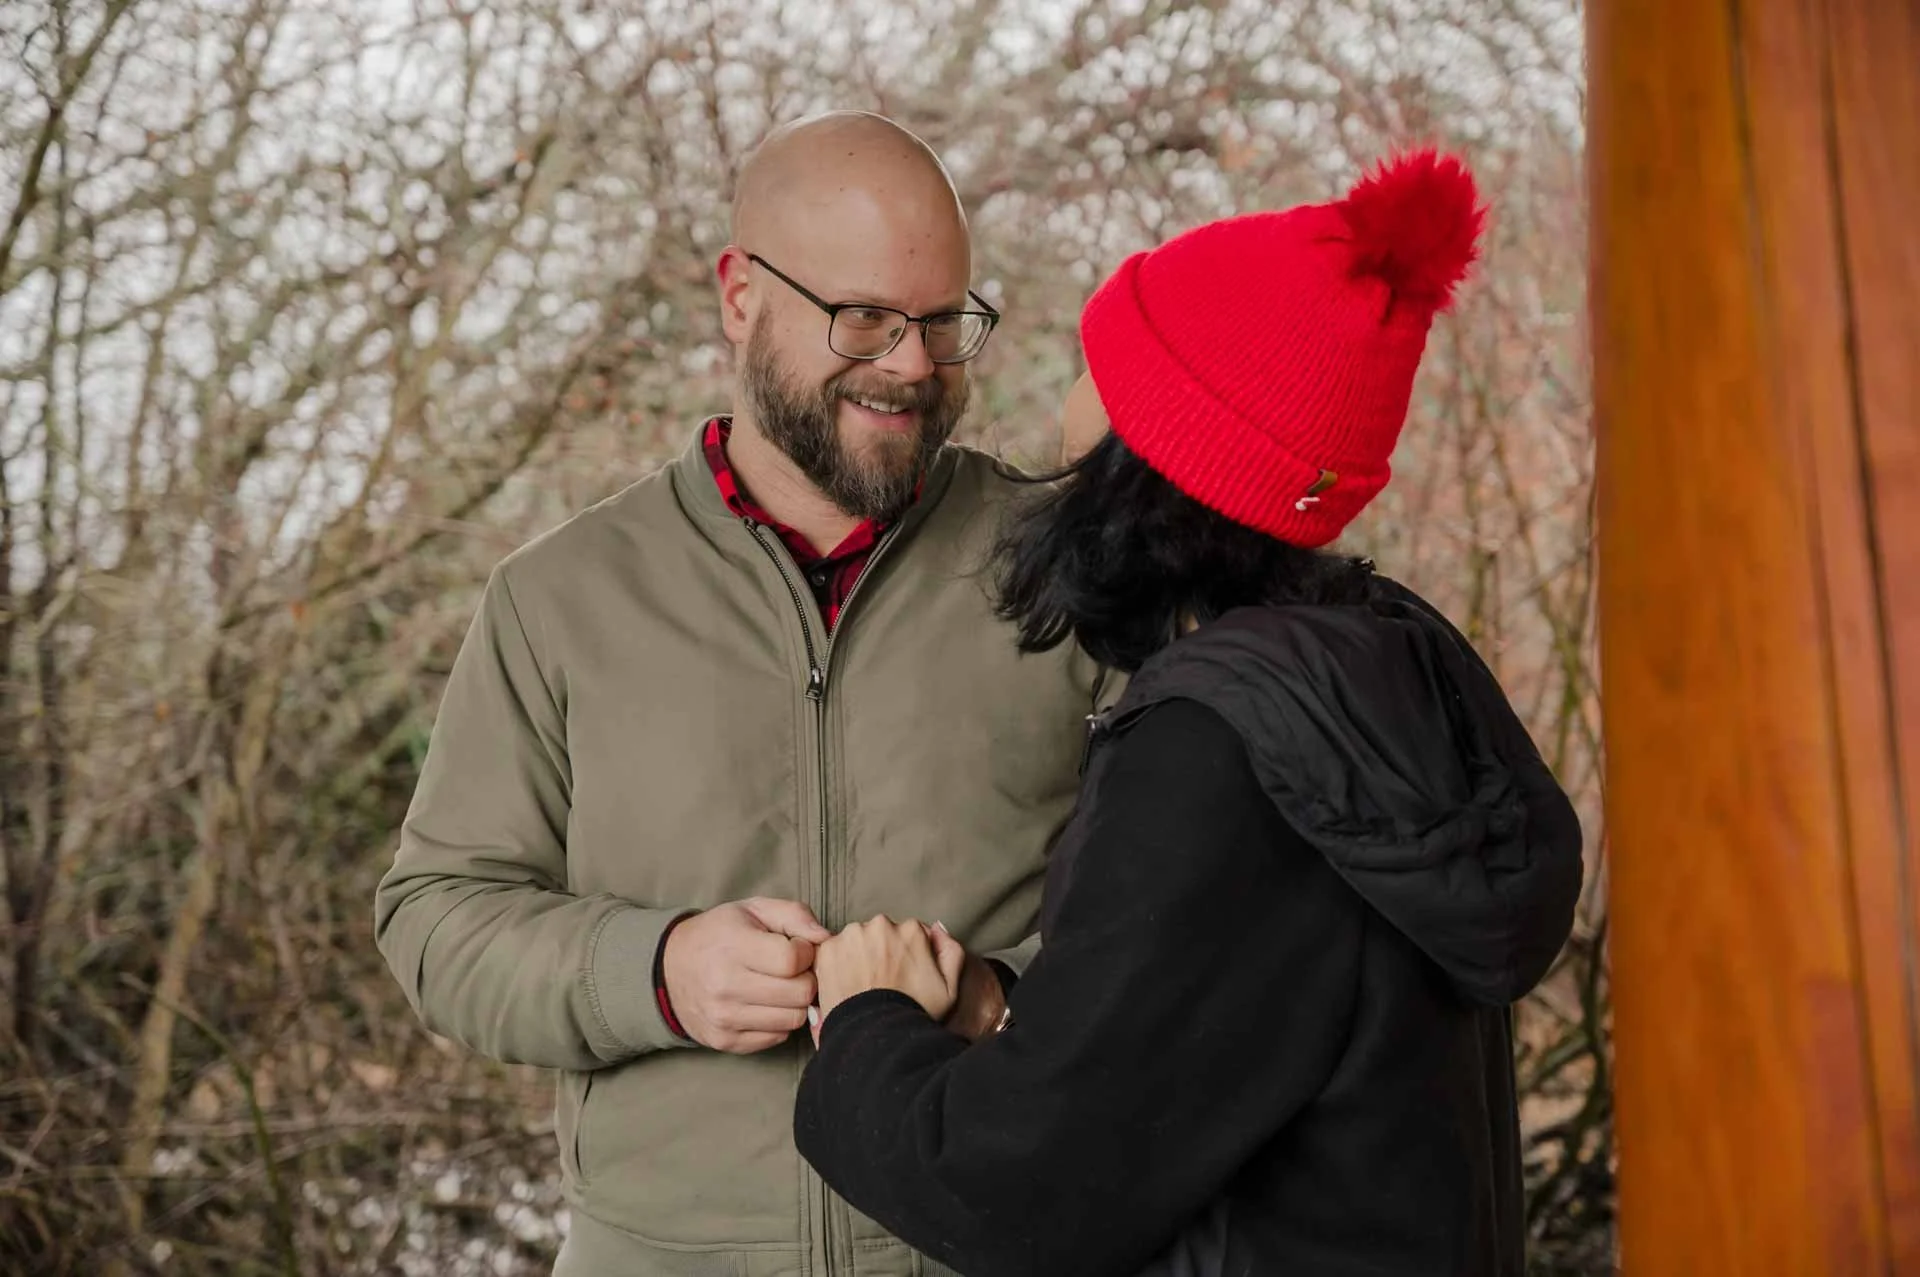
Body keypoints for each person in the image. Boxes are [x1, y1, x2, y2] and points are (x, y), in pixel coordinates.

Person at [792, 150, 1586, 1277]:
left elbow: (1020, 1193)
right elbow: (1242, 1045)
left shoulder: (1215, 750)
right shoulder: (1377, 678)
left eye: (1092, 368)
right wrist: (1013, 1012)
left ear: (1153, 450)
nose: (1063, 412)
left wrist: (867, 1019)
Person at [373, 111, 1102, 1276]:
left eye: (942, 322)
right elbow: (435, 920)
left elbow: (1191, 924)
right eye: (863, 317)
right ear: (739, 295)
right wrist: (654, 972)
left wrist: (994, 996)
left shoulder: (1071, 577)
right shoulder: (557, 599)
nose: (913, 363)